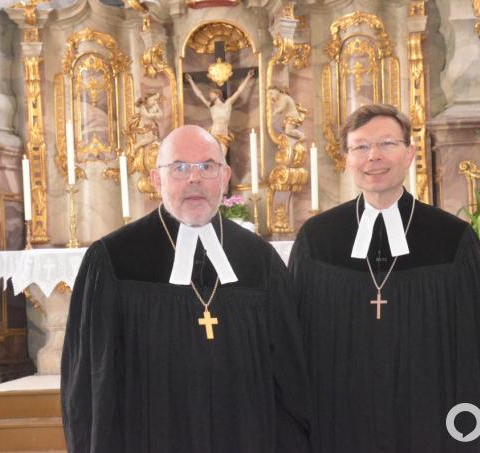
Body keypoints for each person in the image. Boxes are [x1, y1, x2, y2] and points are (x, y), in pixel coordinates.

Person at [61, 125, 312, 453]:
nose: (195, 178)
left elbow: (289, 378)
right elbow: (89, 384)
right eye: (179, 167)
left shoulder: (260, 262)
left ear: (225, 178)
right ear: (156, 180)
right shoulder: (113, 260)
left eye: (207, 166)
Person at [289, 104, 480, 452]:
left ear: (410, 153)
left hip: (432, 419)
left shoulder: (452, 240)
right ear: (346, 158)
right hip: (340, 420)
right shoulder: (317, 240)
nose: (373, 156)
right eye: (360, 146)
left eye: (387, 143)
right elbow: (293, 347)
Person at [185, 70, 254, 154]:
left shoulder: (228, 104)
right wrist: (191, 81)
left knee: (222, 159)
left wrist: (248, 77)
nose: (210, 96)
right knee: (214, 157)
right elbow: (199, 95)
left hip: (224, 135)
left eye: (211, 94)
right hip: (214, 134)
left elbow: (238, 91)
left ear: (218, 94)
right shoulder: (211, 106)